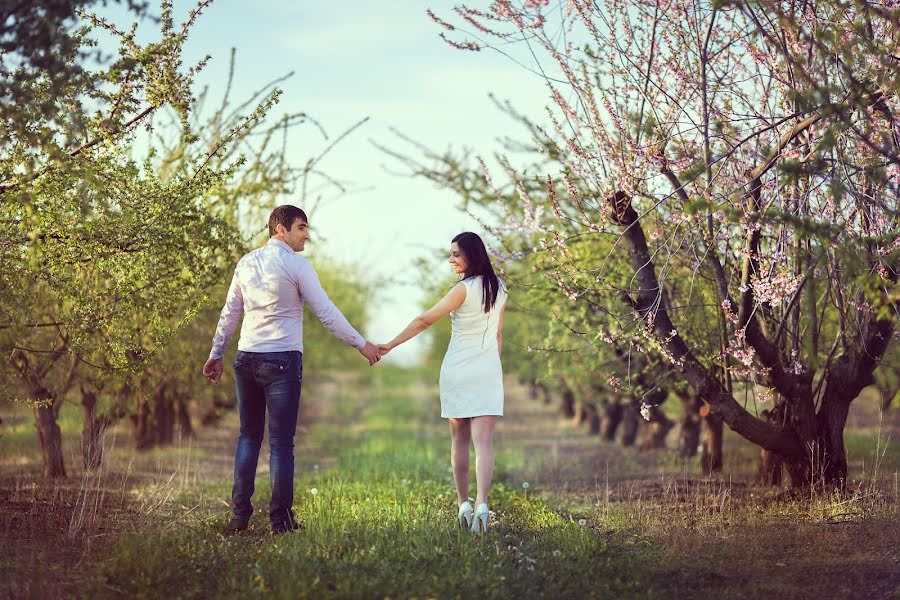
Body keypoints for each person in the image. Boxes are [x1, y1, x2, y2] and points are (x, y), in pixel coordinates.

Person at [203, 205, 382, 535]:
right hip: (282, 360)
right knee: (281, 443)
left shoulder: (246, 263)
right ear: (280, 229)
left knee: (248, 437)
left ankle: (239, 517)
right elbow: (326, 312)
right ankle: (280, 522)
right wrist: (361, 344)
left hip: (246, 359)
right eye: (301, 228)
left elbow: (230, 315)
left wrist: (217, 353)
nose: (307, 235)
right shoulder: (296, 265)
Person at [379, 231, 507, 535]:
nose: (451, 259)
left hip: (459, 370)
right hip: (489, 370)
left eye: (455, 254)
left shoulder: (463, 289)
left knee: (459, 440)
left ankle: (464, 504)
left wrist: (390, 345)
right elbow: (498, 335)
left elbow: (425, 320)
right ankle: (483, 506)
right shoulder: (500, 288)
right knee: (484, 443)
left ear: (470, 255)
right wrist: (492, 367)